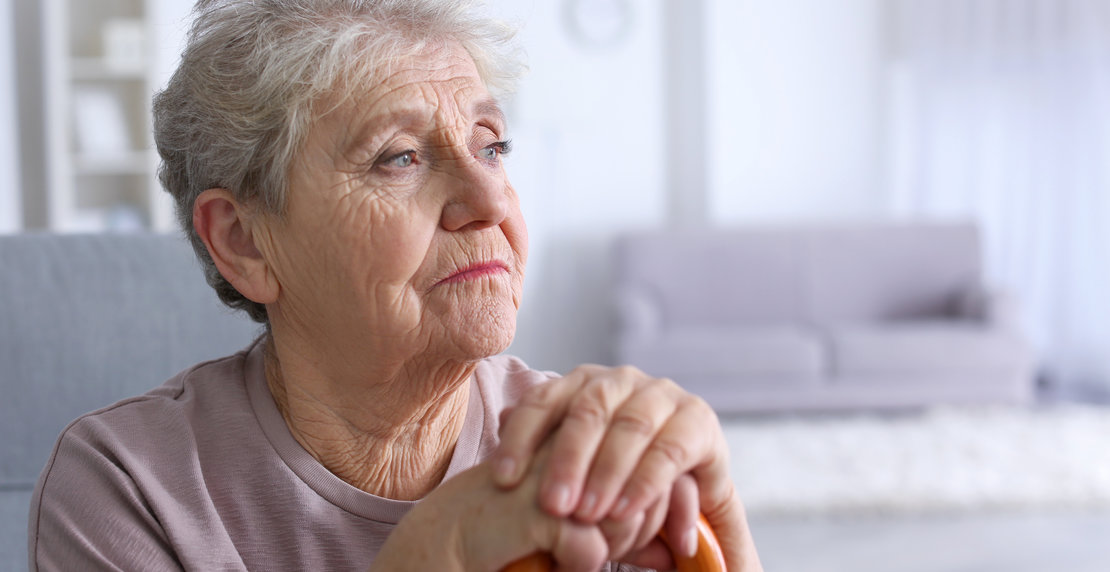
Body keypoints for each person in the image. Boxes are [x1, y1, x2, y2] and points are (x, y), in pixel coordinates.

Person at [28, 1, 763, 570]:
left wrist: (723, 524)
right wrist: (434, 554)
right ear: (244, 241)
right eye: (400, 158)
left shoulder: (580, 457)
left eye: (492, 145)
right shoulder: (128, 487)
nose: (491, 200)